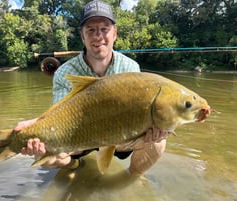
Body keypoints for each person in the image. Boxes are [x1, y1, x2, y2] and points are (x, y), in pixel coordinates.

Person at [15, 0, 166, 174]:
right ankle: (73, 166)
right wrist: (35, 126)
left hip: (119, 136)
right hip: (80, 136)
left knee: (158, 141)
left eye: (104, 29)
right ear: (82, 36)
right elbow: (58, 117)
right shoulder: (64, 72)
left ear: (115, 33)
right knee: (43, 156)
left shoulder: (130, 68)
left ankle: (132, 177)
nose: (98, 36)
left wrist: (153, 127)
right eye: (91, 30)